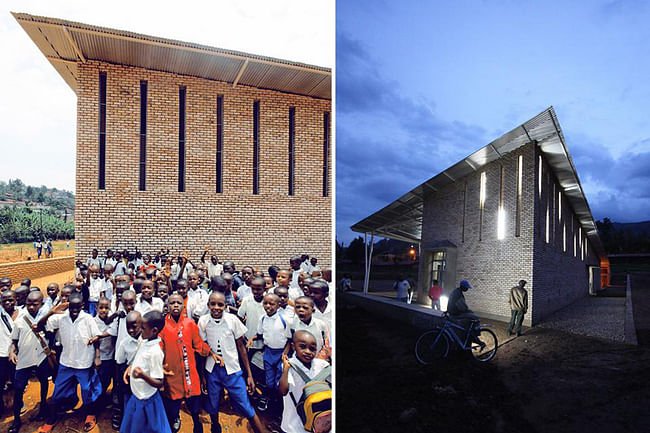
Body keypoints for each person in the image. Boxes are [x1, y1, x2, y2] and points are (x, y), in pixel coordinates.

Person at [199, 291, 265, 433]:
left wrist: (249, 375)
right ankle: (215, 426)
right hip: (212, 370)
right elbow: (202, 349)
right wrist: (203, 376)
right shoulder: (203, 321)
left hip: (233, 370)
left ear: (225, 306)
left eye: (220, 304)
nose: (216, 307)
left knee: (246, 405)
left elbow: (241, 347)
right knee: (213, 402)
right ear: (208, 305)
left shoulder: (232, 320)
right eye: (213, 304)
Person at [36, 293, 103, 433]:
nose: (73, 310)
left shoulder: (88, 319)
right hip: (66, 362)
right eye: (71, 307)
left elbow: (97, 338)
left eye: (77, 307)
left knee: (86, 390)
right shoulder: (61, 318)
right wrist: (51, 312)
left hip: (84, 362)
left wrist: (97, 356)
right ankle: (52, 420)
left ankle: (90, 415)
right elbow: (40, 326)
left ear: (82, 306)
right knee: (57, 391)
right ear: (68, 306)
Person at [158, 293, 211, 433]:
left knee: (193, 402)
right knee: (173, 402)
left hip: (190, 372)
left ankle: (196, 422)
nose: (176, 305)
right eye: (172, 303)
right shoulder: (162, 325)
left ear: (183, 306)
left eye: (179, 303)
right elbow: (158, 348)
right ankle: (175, 419)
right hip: (171, 372)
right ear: (167, 306)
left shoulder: (190, 323)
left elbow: (198, 343)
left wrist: (209, 352)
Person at [120, 310, 171, 433]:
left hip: (147, 400)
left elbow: (159, 382)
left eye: (143, 328)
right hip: (138, 395)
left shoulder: (155, 352)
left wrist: (142, 375)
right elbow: (140, 359)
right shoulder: (144, 341)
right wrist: (131, 367)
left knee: (146, 427)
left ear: (154, 331)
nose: (139, 331)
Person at [9, 291, 51, 433]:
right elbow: (14, 340)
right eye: (28, 304)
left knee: (44, 383)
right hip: (24, 360)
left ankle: (43, 408)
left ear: (41, 304)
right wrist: (12, 352)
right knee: (19, 388)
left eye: (35, 304)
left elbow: (51, 334)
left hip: (41, 358)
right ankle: (16, 420)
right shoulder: (20, 321)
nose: (31, 307)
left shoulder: (45, 320)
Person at [278, 330, 330, 433]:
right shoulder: (290, 366)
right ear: (293, 347)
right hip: (293, 425)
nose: (308, 352)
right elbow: (283, 391)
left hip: (317, 423)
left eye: (312, 349)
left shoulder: (321, 365)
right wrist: (285, 370)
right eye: (302, 347)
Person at [247, 293, 291, 412]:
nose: (268, 306)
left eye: (272, 304)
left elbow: (290, 339)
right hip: (268, 352)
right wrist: (252, 338)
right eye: (265, 303)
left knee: (279, 380)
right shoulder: (262, 319)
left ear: (278, 305)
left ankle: (279, 405)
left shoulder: (284, 320)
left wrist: (285, 354)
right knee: (269, 381)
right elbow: (260, 334)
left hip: (281, 354)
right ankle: (269, 399)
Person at [447, 280, 483, 346]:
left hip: (452, 311)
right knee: (475, 317)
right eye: (466, 288)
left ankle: (471, 333)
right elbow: (463, 308)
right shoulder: (459, 294)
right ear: (463, 287)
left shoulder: (456, 291)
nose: (467, 289)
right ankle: (476, 333)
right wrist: (468, 311)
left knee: (470, 314)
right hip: (456, 313)